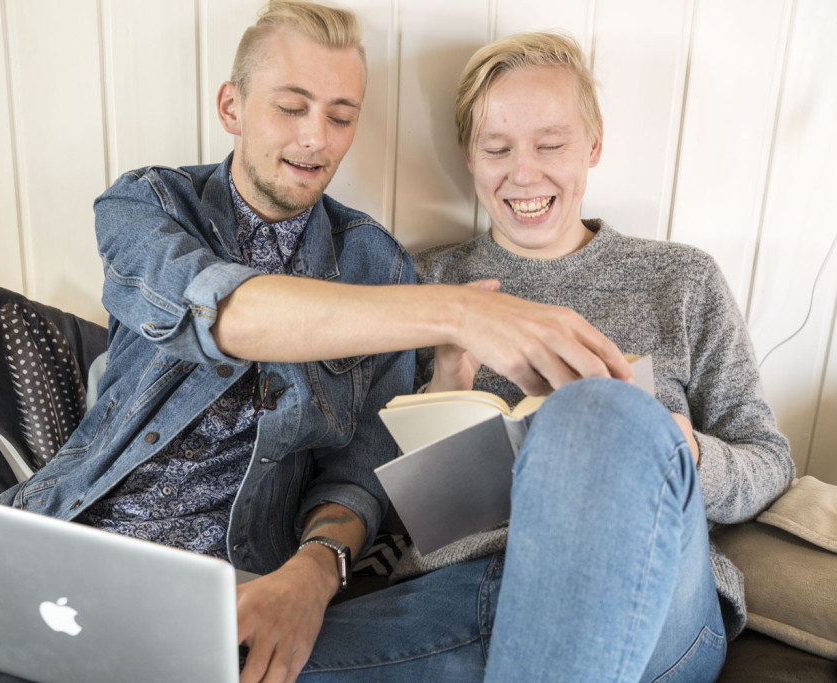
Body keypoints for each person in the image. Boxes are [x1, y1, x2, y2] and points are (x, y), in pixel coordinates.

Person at [0, 5, 632, 683]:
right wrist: (451, 311)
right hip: (43, 540)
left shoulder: (377, 263)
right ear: (232, 107)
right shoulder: (145, 205)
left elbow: (364, 466)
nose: (316, 137)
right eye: (291, 105)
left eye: (341, 115)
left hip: (208, 589)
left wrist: (316, 567)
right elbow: (224, 315)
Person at [298, 31, 793, 682]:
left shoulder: (682, 281)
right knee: (232, 662)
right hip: (464, 594)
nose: (523, 174)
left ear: (593, 144)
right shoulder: (422, 287)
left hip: (650, 593)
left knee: (594, 412)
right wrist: (444, 383)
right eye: (497, 148)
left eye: (551, 145)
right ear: (470, 158)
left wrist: (684, 450)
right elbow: (373, 494)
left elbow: (768, 458)